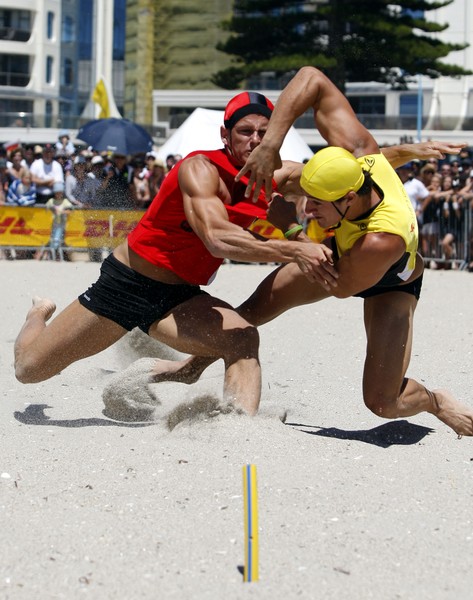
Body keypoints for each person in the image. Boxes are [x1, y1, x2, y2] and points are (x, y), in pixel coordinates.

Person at [152, 67, 473, 437]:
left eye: (317, 203)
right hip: (342, 251)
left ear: (349, 197)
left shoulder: (382, 239)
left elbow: (338, 283)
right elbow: (312, 79)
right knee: (248, 314)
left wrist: (290, 227)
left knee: (384, 402)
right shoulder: (361, 153)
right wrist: (271, 142)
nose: (309, 209)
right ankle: (191, 368)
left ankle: (436, 400)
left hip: (388, 280)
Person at [14, 91, 342, 416]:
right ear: (225, 135)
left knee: (242, 339)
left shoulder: (278, 175)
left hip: (179, 297)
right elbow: (216, 237)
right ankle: (38, 313)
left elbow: (350, 168)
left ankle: (240, 430)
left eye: (264, 133)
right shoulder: (199, 168)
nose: (255, 141)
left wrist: (391, 155)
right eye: (245, 132)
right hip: (125, 286)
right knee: (28, 370)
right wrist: (295, 247)